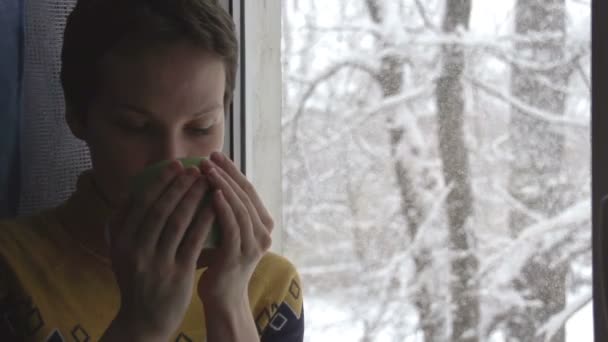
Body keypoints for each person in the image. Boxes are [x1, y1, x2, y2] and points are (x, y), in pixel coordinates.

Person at [0, 0, 304, 341]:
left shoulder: (270, 291)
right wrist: (142, 324)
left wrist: (230, 304)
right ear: (78, 115)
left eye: (200, 128)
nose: (170, 159)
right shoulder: (12, 272)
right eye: (135, 127)